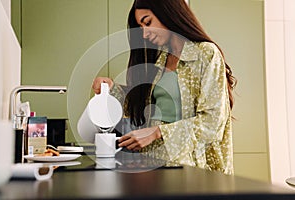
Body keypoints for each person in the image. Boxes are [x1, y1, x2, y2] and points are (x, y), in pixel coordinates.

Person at [91, 0, 236, 175]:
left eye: (148, 22)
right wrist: (111, 89)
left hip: (192, 168)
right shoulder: (160, 59)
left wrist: (157, 132)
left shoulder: (205, 53)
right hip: (154, 163)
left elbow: (213, 123)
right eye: (140, 26)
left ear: (168, 13)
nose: (144, 33)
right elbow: (144, 109)